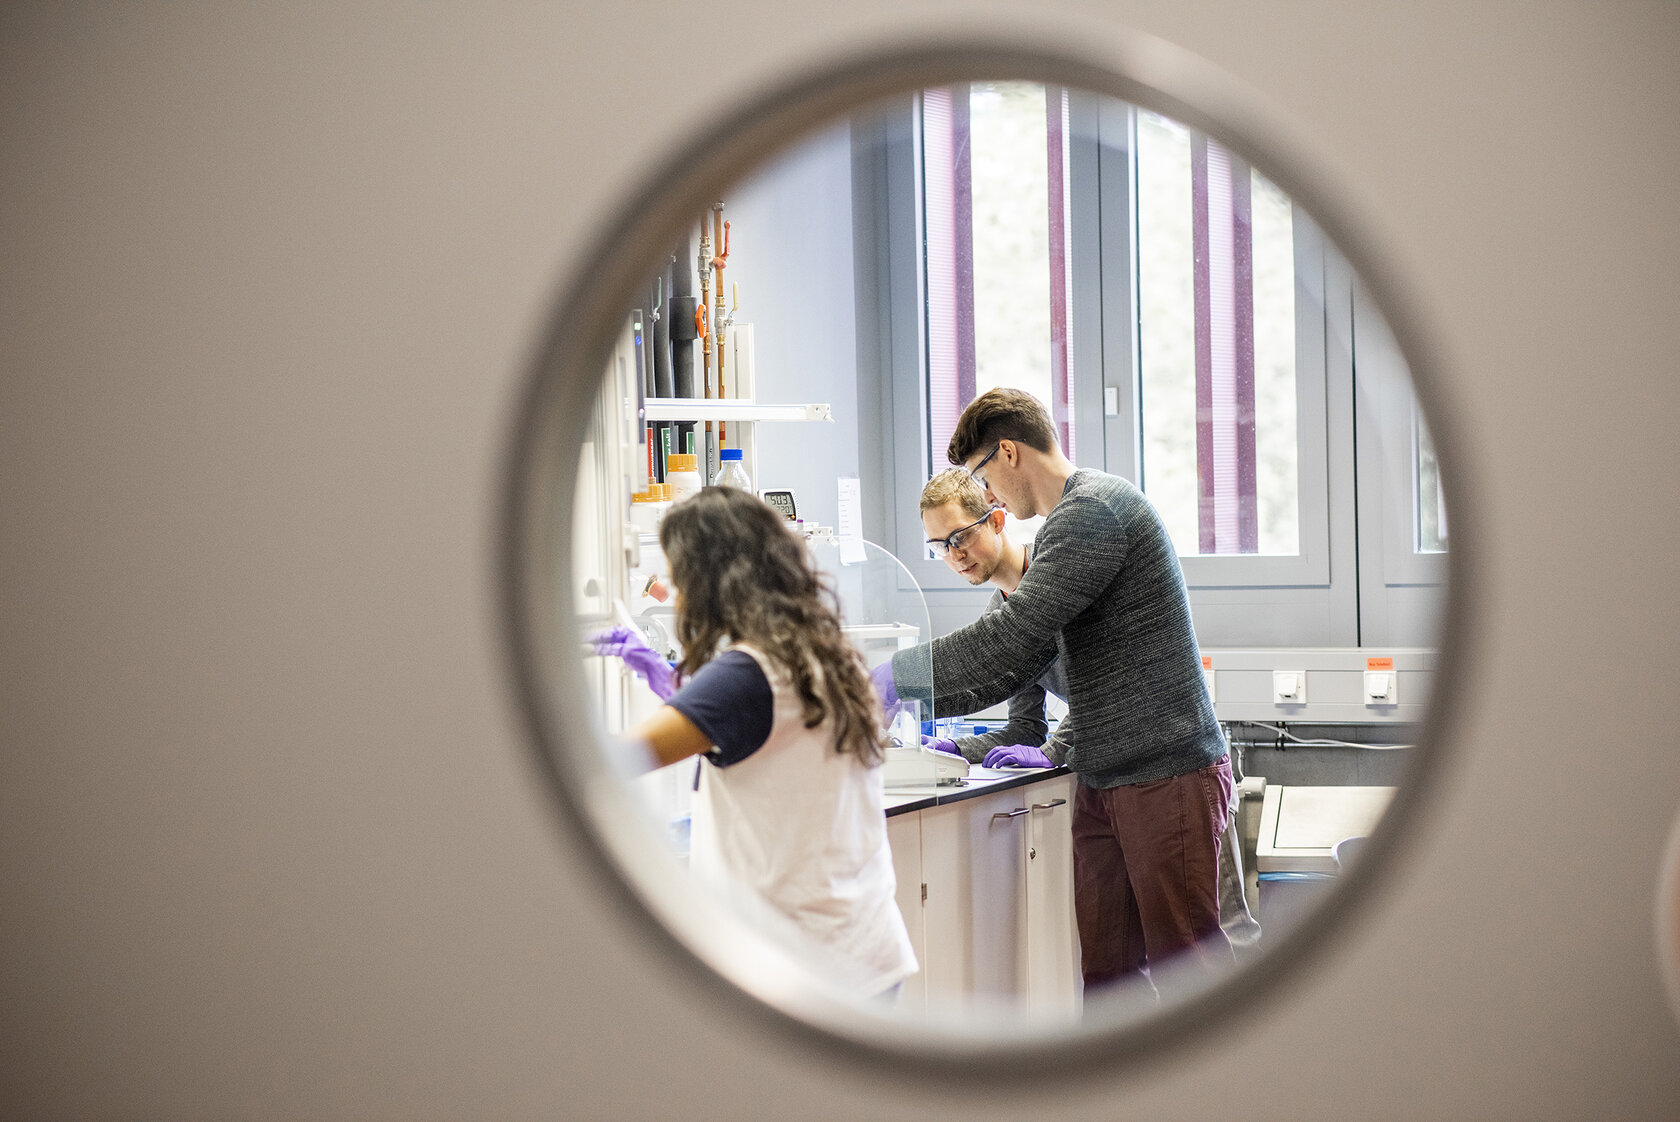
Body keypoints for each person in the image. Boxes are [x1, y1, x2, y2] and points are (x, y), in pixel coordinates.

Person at [874, 388, 1235, 997]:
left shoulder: (1094, 512)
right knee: (1107, 983)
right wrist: (914, 710)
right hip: (1102, 780)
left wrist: (892, 677)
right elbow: (1008, 673)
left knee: (1189, 977)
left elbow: (1012, 637)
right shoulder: (1065, 528)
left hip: (1163, 775)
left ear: (1007, 453)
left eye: (982, 476)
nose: (989, 496)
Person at [915, 467, 1260, 959]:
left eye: (959, 536)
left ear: (996, 521)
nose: (954, 555)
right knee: (1117, 969)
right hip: (1108, 776)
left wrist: (1056, 748)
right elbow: (1023, 725)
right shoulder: (1003, 612)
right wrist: (954, 748)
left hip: (1172, 765)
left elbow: (1103, 681)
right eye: (938, 546)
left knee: (1211, 949)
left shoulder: (1066, 568)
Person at [594, 485, 917, 1001]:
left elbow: (612, 761)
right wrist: (684, 693)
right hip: (861, 949)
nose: (677, 597)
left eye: (679, 582)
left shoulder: (746, 674)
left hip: (802, 964)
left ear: (710, 583)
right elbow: (779, 738)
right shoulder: (828, 654)